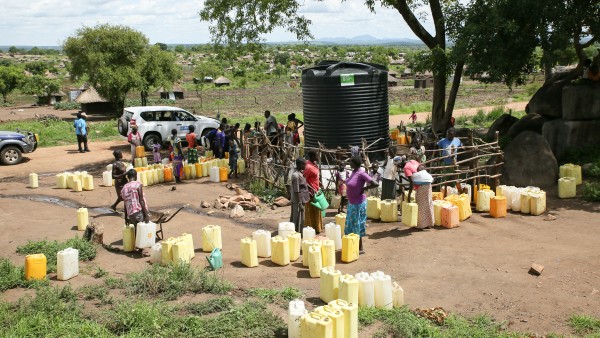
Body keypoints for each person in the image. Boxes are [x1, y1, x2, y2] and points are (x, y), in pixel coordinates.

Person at [343, 156, 378, 254]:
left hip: (359, 204)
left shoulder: (361, 173)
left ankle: (360, 248)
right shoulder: (353, 172)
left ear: (355, 163)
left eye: (351, 161)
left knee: (357, 225)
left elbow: (375, 183)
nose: (349, 163)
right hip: (351, 203)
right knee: (350, 225)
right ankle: (352, 245)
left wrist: (364, 189)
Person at [401, 156, 434, 230]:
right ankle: (429, 223)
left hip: (421, 186)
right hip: (428, 184)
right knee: (428, 203)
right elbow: (422, 168)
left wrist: (409, 195)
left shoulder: (406, 167)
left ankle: (420, 225)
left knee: (420, 205)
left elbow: (411, 183)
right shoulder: (412, 161)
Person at [304, 149, 323, 234]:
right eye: (316, 155)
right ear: (312, 156)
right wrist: (311, 188)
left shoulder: (314, 164)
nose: (318, 157)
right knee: (311, 210)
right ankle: (311, 229)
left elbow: (314, 177)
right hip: (311, 192)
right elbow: (303, 179)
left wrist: (319, 183)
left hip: (316, 190)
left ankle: (317, 227)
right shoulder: (308, 167)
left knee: (317, 209)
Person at [290, 158, 310, 233]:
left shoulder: (300, 173)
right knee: (296, 217)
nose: (306, 166)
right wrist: (300, 203)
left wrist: (311, 188)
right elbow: (297, 191)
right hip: (297, 200)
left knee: (301, 217)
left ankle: (299, 232)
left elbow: (303, 184)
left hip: (301, 199)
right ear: (300, 165)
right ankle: (295, 233)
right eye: (305, 164)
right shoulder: (295, 176)